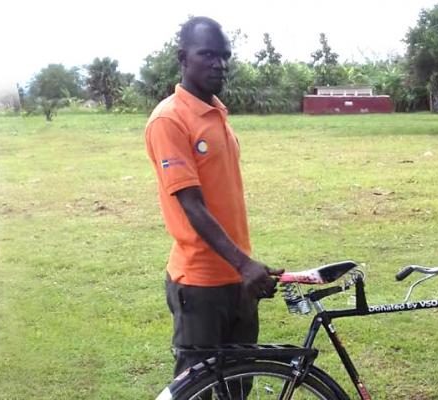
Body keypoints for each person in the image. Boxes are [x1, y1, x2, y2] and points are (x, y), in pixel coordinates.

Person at [145, 16, 283, 378]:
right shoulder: (169, 120)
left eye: (224, 55)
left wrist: (243, 270)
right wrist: (244, 264)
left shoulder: (218, 113)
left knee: (238, 383)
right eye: (206, 53)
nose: (218, 63)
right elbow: (191, 205)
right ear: (183, 57)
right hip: (200, 284)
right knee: (199, 385)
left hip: (238, 281)